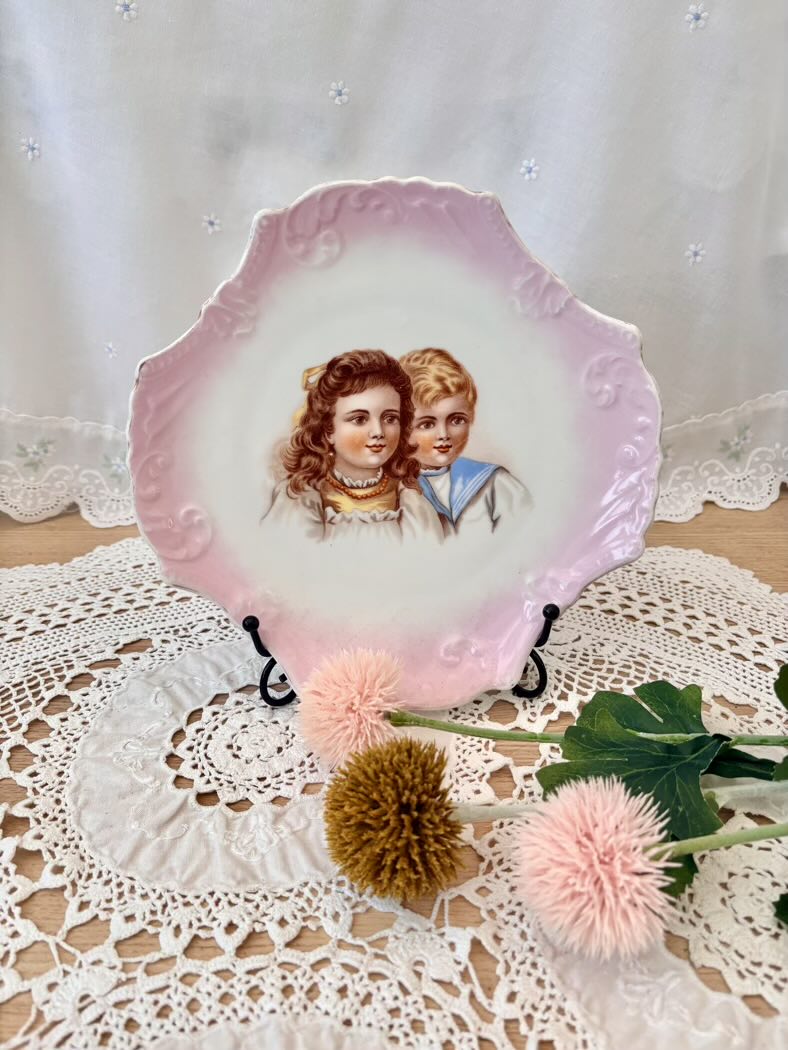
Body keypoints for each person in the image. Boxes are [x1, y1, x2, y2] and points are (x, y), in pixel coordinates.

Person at [262, 349, 444, 543]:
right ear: (328, 430)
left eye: (390, 418)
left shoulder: (410, 498)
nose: (378, 431)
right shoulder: (303, 496)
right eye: (359, 419)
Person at [399, 347, 532, 535]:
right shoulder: (391, 490)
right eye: (427, 424)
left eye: (456, 420)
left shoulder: (495, 484)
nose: (443, 434)